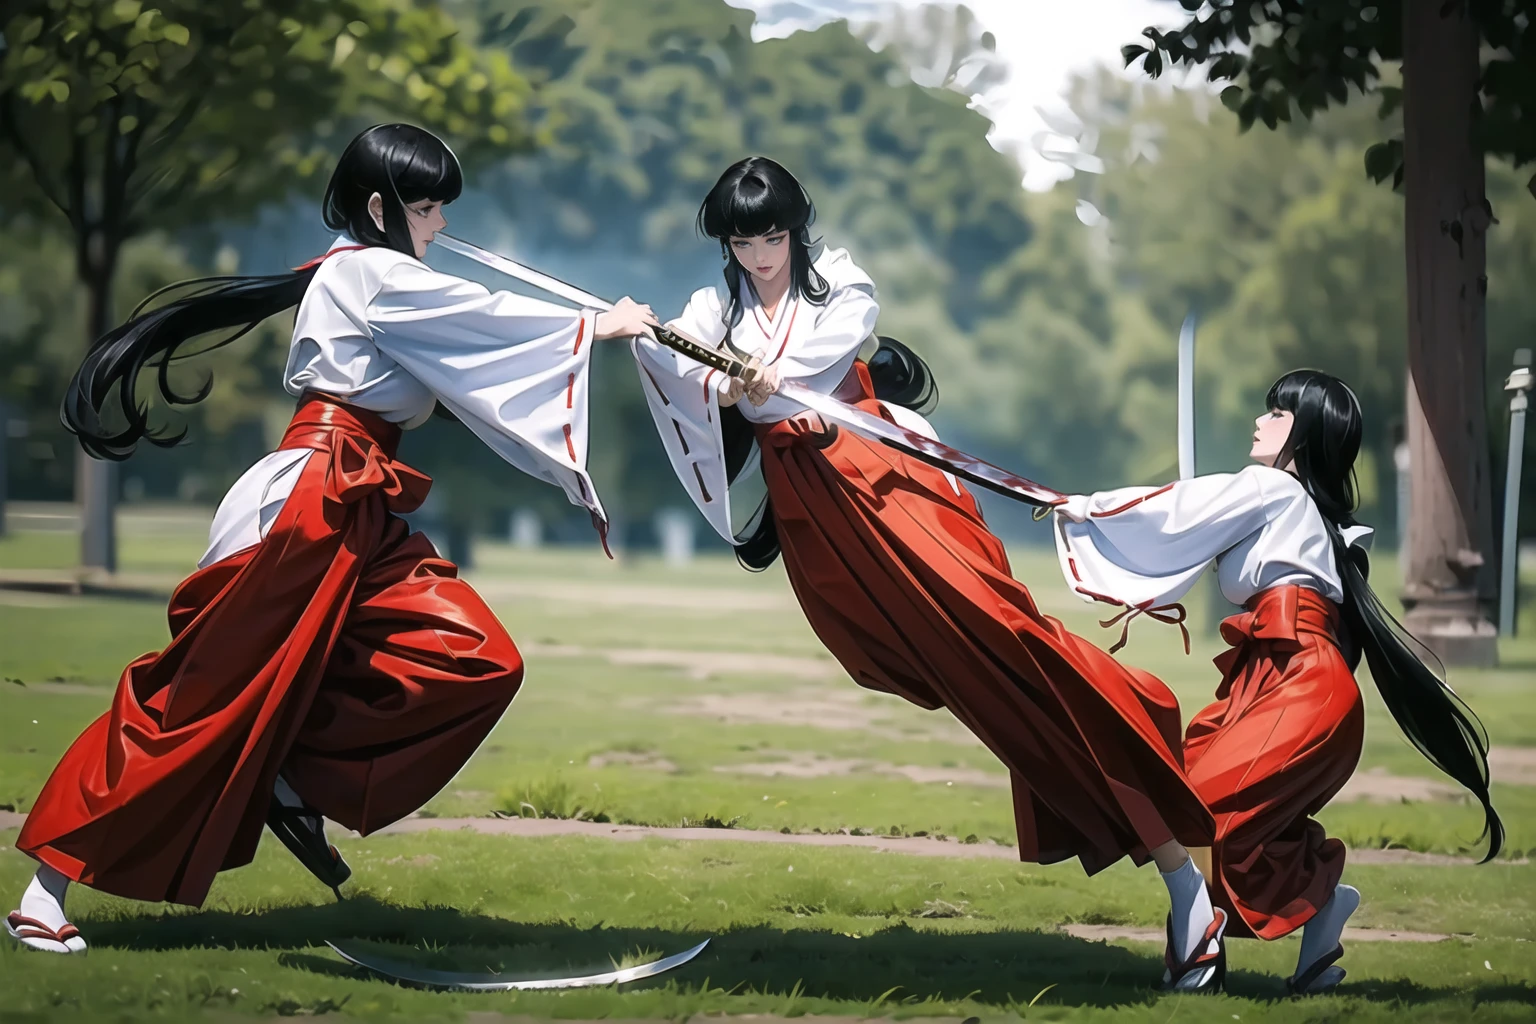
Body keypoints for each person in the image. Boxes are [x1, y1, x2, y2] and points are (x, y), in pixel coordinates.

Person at [5, 123, 659, 955]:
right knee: (194, 700)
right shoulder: (373, 275)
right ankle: (44, 888)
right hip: (309, 504)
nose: (440, 228)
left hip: (362, 504)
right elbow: (484, 320)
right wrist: (599, 326)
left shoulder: (371, 275)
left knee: (472, 657)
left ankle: (284, 775)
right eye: (426, 210)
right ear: (381, 207)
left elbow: (468, 366)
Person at [632, 156, 1226, 991]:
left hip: (879, 477)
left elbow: (842, 336)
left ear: (797, 229)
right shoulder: (714, 304)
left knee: (1007, 648)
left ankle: (1175, 853)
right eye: (744, 240)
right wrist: (670, 350)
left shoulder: (834, 279)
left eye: (774, 236)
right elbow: (684, 366)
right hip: (815, 514)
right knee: (966, 681)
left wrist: (760, 375)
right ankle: (1180, 872)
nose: (762, 255)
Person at [1051, 369, 1503, 993]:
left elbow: (1177, 512)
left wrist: (1081, 508)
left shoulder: (1273, 491)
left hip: (1301, 682)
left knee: (1200, 811)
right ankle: (1318, 905)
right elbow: (1192, 527)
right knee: (1186, 801)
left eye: (1277, 413)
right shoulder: (1298, 509)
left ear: (1304, 433)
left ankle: (1200, 941)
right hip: (1268, 680)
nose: (1260, 422)